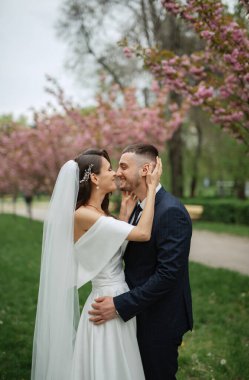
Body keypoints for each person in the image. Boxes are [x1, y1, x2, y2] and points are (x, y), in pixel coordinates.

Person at [31, 148, 162, 380]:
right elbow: (142, 234)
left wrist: (122, 216)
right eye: (110, 169)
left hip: (115, 297)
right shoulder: (83, 215)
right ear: (94, 178)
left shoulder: (96, 214)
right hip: (107, 302)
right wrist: (152, 189)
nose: (115, 174)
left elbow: (106, 250)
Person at [88, 144, 193, 380]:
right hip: (139, 314)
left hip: (160, 320)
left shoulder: (171, 212)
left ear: (146, 169)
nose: (117, 172)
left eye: (124, 166)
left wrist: (118, 304)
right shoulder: (137, 207)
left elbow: (167, 275)